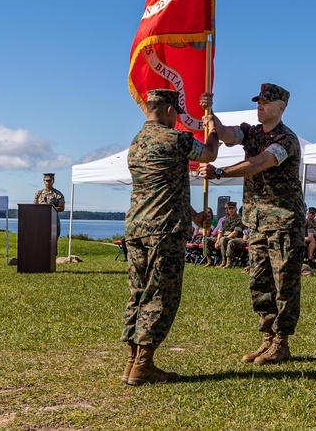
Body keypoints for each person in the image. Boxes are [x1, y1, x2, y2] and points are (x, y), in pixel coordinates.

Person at [199, 83, 306, 367]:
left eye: (266, 102)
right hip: (257, 222)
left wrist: (220, 172)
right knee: (259, 282)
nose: (260, 106)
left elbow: (260, 162)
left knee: (284, 284)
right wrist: (212, 113)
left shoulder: (286, 139)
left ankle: (281, 341)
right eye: (258, 101)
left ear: (281, 107)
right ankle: (267, 337)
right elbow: (227, 134)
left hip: (283, 221)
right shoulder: (253, 131)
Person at [123, 88, 219, 386]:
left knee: (138, 294)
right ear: (168, 111)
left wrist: (193, 216)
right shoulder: (174, 138)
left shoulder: (135, 143)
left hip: (137, 227)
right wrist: (211, 127)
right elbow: (209, 153)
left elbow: (163, 187)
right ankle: (144, 364)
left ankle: (131, 361)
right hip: (165, 230)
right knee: (161, 294)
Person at [34, 173, 65, 256]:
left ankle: (52, 261)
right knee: (41, 242)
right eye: (46, 181)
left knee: (53, 242)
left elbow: (61, 208)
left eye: (50, 181)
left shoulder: (57, 194)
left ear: (53, 181)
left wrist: (49, 207)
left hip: (53, 222)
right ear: (43, 181)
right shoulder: (38, 194)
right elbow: (34, 207)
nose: (48, 183)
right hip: (41, 222)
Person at [217, 202, 245, 268]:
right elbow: (220, 232)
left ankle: (228, 263)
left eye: (232, 208)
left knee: (226, 240)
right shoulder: (225, 220)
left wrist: (224, 238)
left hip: (237, 239)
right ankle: (211, 261)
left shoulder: (240, 219)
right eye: (229, 208)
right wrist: (217, 241)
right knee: (206, 239)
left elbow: (235, 233)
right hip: (225, 238)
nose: (231, 210)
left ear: (236, 209)